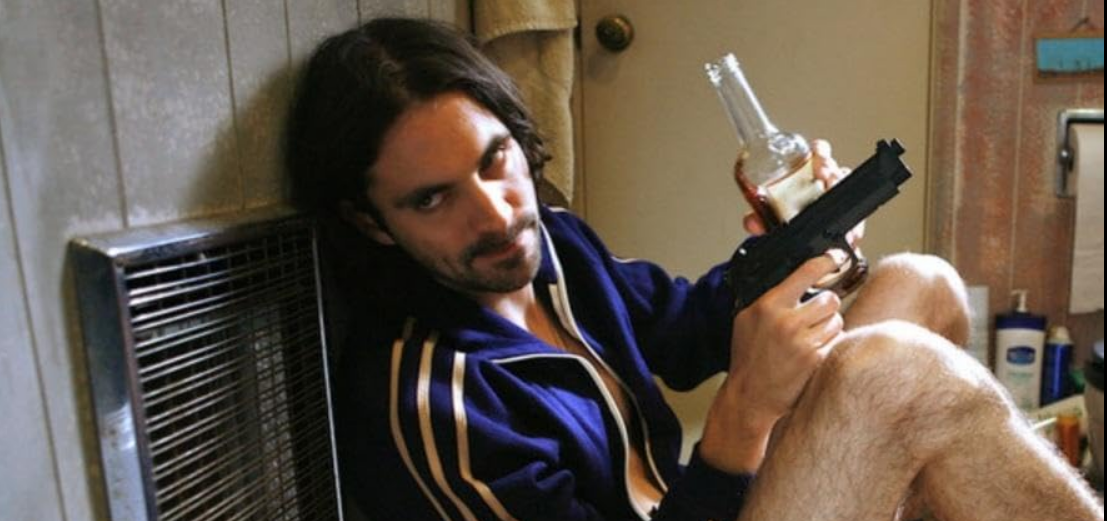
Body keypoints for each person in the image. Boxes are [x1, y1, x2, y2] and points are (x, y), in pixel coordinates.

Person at [286, 17, 1104, 521]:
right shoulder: (431, 405)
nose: (496, 214)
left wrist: (803, 240)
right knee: (891, 371)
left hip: (717, 501)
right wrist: (743, 413)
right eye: (433, 199)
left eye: (493, 161)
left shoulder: (553, 250)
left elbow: (690, 325)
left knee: (919, 282)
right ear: (370, 221)